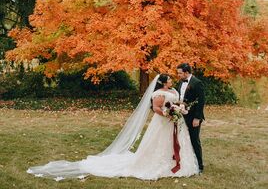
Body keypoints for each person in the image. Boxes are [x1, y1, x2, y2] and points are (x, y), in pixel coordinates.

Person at [27, 74, 199, 181]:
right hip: (162, 123)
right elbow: (156, 109)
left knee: (176, 143)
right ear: (163, 82)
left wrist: (179, 109)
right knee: (158, 145)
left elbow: (176, 102)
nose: (171, 80)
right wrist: (169, 114)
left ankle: (180, 163)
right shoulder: (158, 93)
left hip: (175, 123)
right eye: (169, 79)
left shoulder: (174, 90)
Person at [176, 63, 205, 173]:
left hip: (193, 117)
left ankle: (200, 165)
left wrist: (197, 118)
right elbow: (181, 97)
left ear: (186, 72)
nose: (178, 75)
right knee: (182, 139)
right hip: (181, 115)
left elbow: (201, 101)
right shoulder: (180, 82)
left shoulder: (197, 83)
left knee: (194, 140)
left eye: (180, 73)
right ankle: (186, 162)